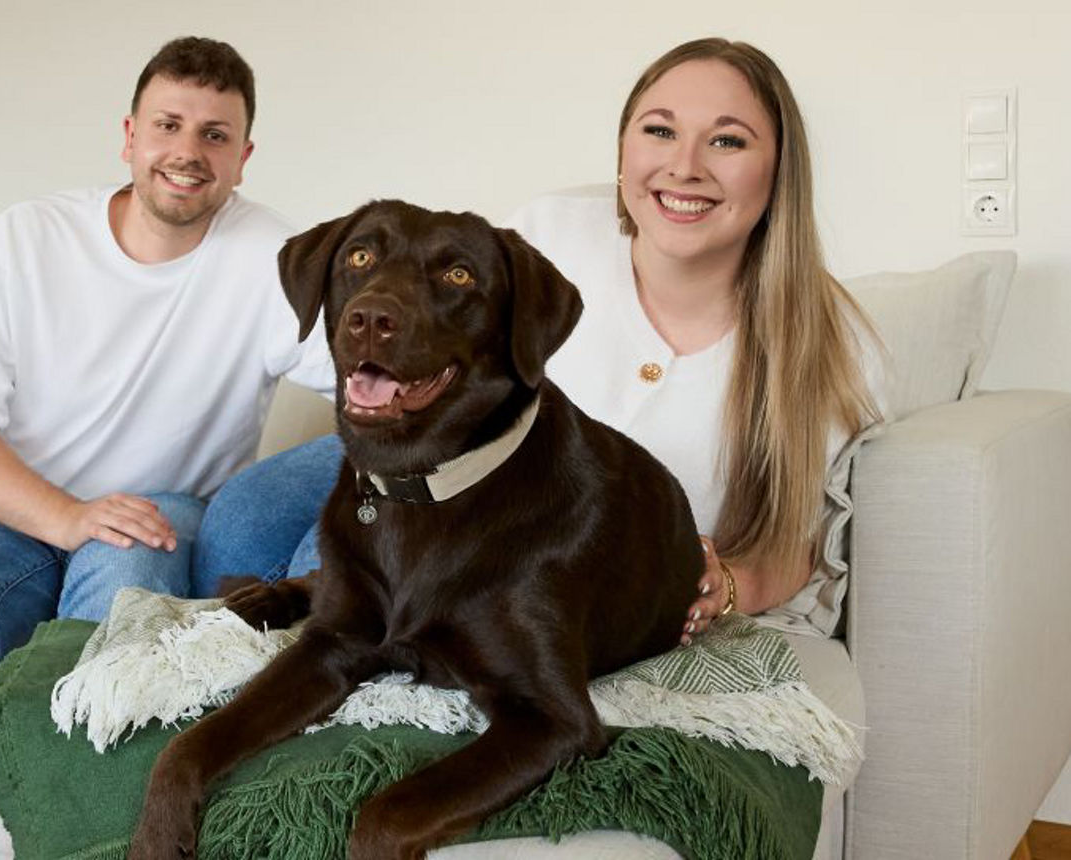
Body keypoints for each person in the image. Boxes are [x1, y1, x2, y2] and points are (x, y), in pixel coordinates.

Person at [193, 37, 887, 647]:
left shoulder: (829, 342)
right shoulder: (551, 233)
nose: (685, 166)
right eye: (659, 131)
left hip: (531, 548)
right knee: (241, 520)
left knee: (313, 590)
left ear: (778, 171)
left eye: (728, 141)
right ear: (623, 152)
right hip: (419, 462)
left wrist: (726, 583)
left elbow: (805, 541)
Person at [0, 37, 332, 859]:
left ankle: (76, 843)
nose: (188, 152)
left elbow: (376, 386)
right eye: (169, 125)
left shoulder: (276, 259)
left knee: (120, 610)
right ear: (129, 136)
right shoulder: (28, 238)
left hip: (161, 509)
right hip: (16, 505)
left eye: (215, 135)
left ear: (243, 157)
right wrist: (67, 515)